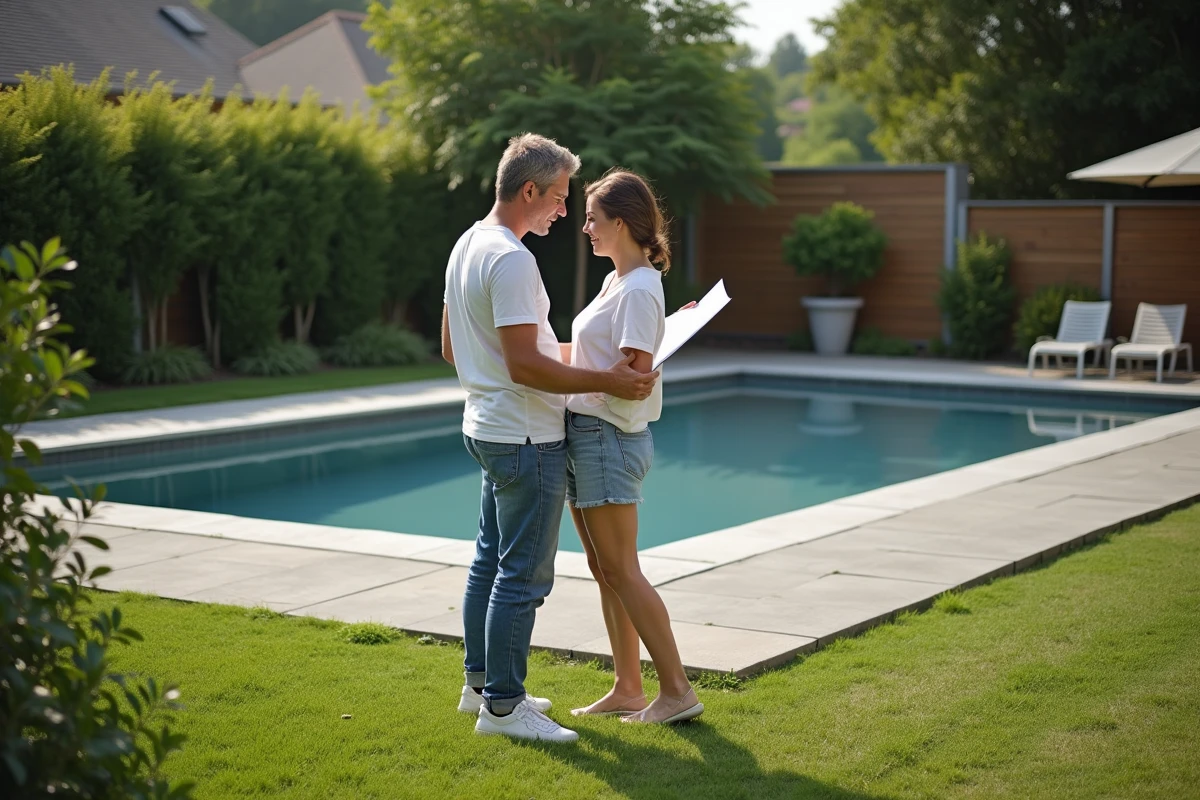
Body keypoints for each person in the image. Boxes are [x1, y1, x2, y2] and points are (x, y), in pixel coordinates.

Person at [441, 134, 658, 743]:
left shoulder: (467, 246)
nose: (564, 213)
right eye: (560, 199)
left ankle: (479, 687)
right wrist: (605, 377)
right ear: (528, 190)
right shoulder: (510, 258)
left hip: (484, 425)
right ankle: (505, 709)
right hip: (525, 434)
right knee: (523, 576)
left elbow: (454, 346)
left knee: (490, 560)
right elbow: (526, 367)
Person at [564, 170, 703, 724]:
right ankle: (627, 686)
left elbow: (634, 376)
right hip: (588, 434)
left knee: (623, 569)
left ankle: (677, 692)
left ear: (620, 222)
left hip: (607, 438)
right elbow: (613, 359)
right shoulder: (619, 281)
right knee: (605, 568)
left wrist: (561, 377)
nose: (586, 227)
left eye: (593, 218)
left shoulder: (641, 285)